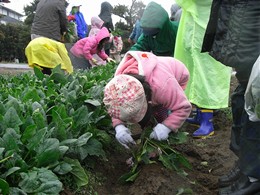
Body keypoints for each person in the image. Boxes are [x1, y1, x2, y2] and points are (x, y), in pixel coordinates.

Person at [201, 0, 260, 194]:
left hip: (249, 19)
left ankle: (253, 176)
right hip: (237, 16)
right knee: (242, 95)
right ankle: (245, 163)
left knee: (255, 98)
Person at [103, 51, 192, 149]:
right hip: (155, 82)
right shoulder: (118, 84)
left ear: (145, 96)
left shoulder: (163, 87)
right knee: (149, 117)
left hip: (177, 73)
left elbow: (183, 107)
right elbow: (117, 105)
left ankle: (161, 145)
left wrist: (166, 127)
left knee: (161, 113)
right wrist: (119, 127)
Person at [174, 0, 231, 138]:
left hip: (207, 27)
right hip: (194, 27)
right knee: (194, 71)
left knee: (207, 73)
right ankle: (200, 115)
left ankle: (208, 121)